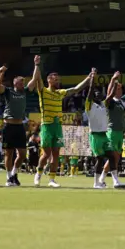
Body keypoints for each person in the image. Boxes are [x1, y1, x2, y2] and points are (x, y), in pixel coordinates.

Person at [32, 55, 92, 188]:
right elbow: (37, 79)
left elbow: (75, 89)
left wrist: (88, 78)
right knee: (46, 154)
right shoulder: (43, 91)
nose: (57, 80)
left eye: (58, 79)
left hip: (57, 126)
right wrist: (37, 65)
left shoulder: (60, 93)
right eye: (54, 78)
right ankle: (38, 174)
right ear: (48, 80)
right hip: (47, 125)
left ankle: (52, 179)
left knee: (56, 154)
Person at [0, 65, 37, 187]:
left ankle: (13, 173)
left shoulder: (24, 92)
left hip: (20, 127)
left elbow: (34, 80)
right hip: (9, 126)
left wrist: (36, 65)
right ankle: (8, 177)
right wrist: (0, 73)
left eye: (23, 83)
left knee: (22, 154)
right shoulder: (8, 91)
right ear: (14, 83)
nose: (21, 84)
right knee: (9, 153)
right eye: (19, 83)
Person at [99, 68, 125, 188]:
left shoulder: (122, 101)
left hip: (120, 133)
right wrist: (113, 79)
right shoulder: (111, 102)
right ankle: (114, 180)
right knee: (113, 157)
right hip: (112, 131)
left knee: (117, 157)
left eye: (120, 89)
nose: (119, 91)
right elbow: (109, 94)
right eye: (117, 89)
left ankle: (102, 178)